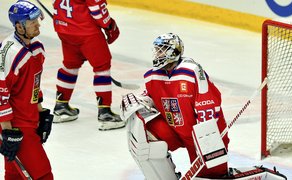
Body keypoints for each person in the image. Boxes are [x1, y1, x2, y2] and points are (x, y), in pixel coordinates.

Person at [121, 33, 230, 179]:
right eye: (157, 50)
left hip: (203, 133)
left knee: (211, 176)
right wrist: (140, 101)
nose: (157, 54)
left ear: (174, 51)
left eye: (162, 50)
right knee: (144, 134)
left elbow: (208, 105)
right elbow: (152, 96)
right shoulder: (153, 76)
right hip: (176, 130)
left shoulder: (192, 72)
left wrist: (208, 140)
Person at [0, 1, 54, 179]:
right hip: (15, 125)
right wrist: (7, 132)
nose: (37, 25)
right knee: (43, 174)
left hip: (29, 118)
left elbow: (33, 84)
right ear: (19, 26)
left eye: (37, 20)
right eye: (32, 22)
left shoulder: (37, 48)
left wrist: (40, 112)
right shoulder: (11, 53)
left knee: (14, 175)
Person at [52, 0, 125, 130]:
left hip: (64, 29)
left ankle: (61, 106)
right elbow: (97, 9)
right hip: (86, 31)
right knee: (102, 67)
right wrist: (109, 25)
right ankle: (105, 114)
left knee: (70, 65)